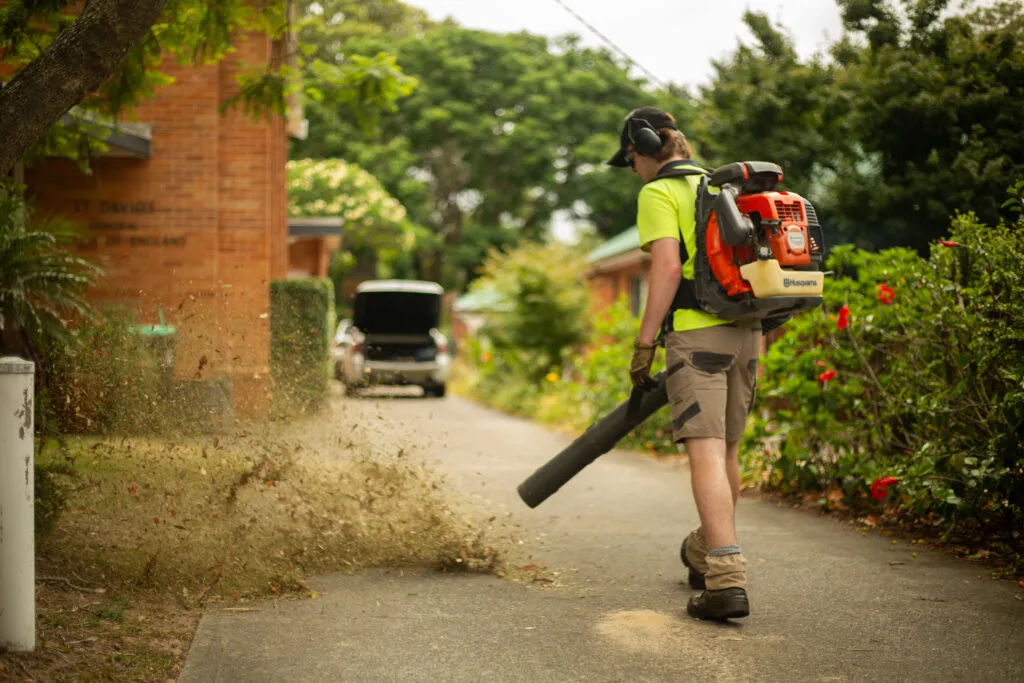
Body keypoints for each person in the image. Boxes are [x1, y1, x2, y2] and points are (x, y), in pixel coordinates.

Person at [608, 107, 760, 621]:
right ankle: (704, 550)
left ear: (646, 148)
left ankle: (725, 579)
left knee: (706, 452)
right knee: (729, 450)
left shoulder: (657, 193)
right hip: (748, 334)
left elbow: (668, 267)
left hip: (697, 335)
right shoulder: (726, 189)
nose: (633, 170)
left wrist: (645, 342)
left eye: (630, 158)